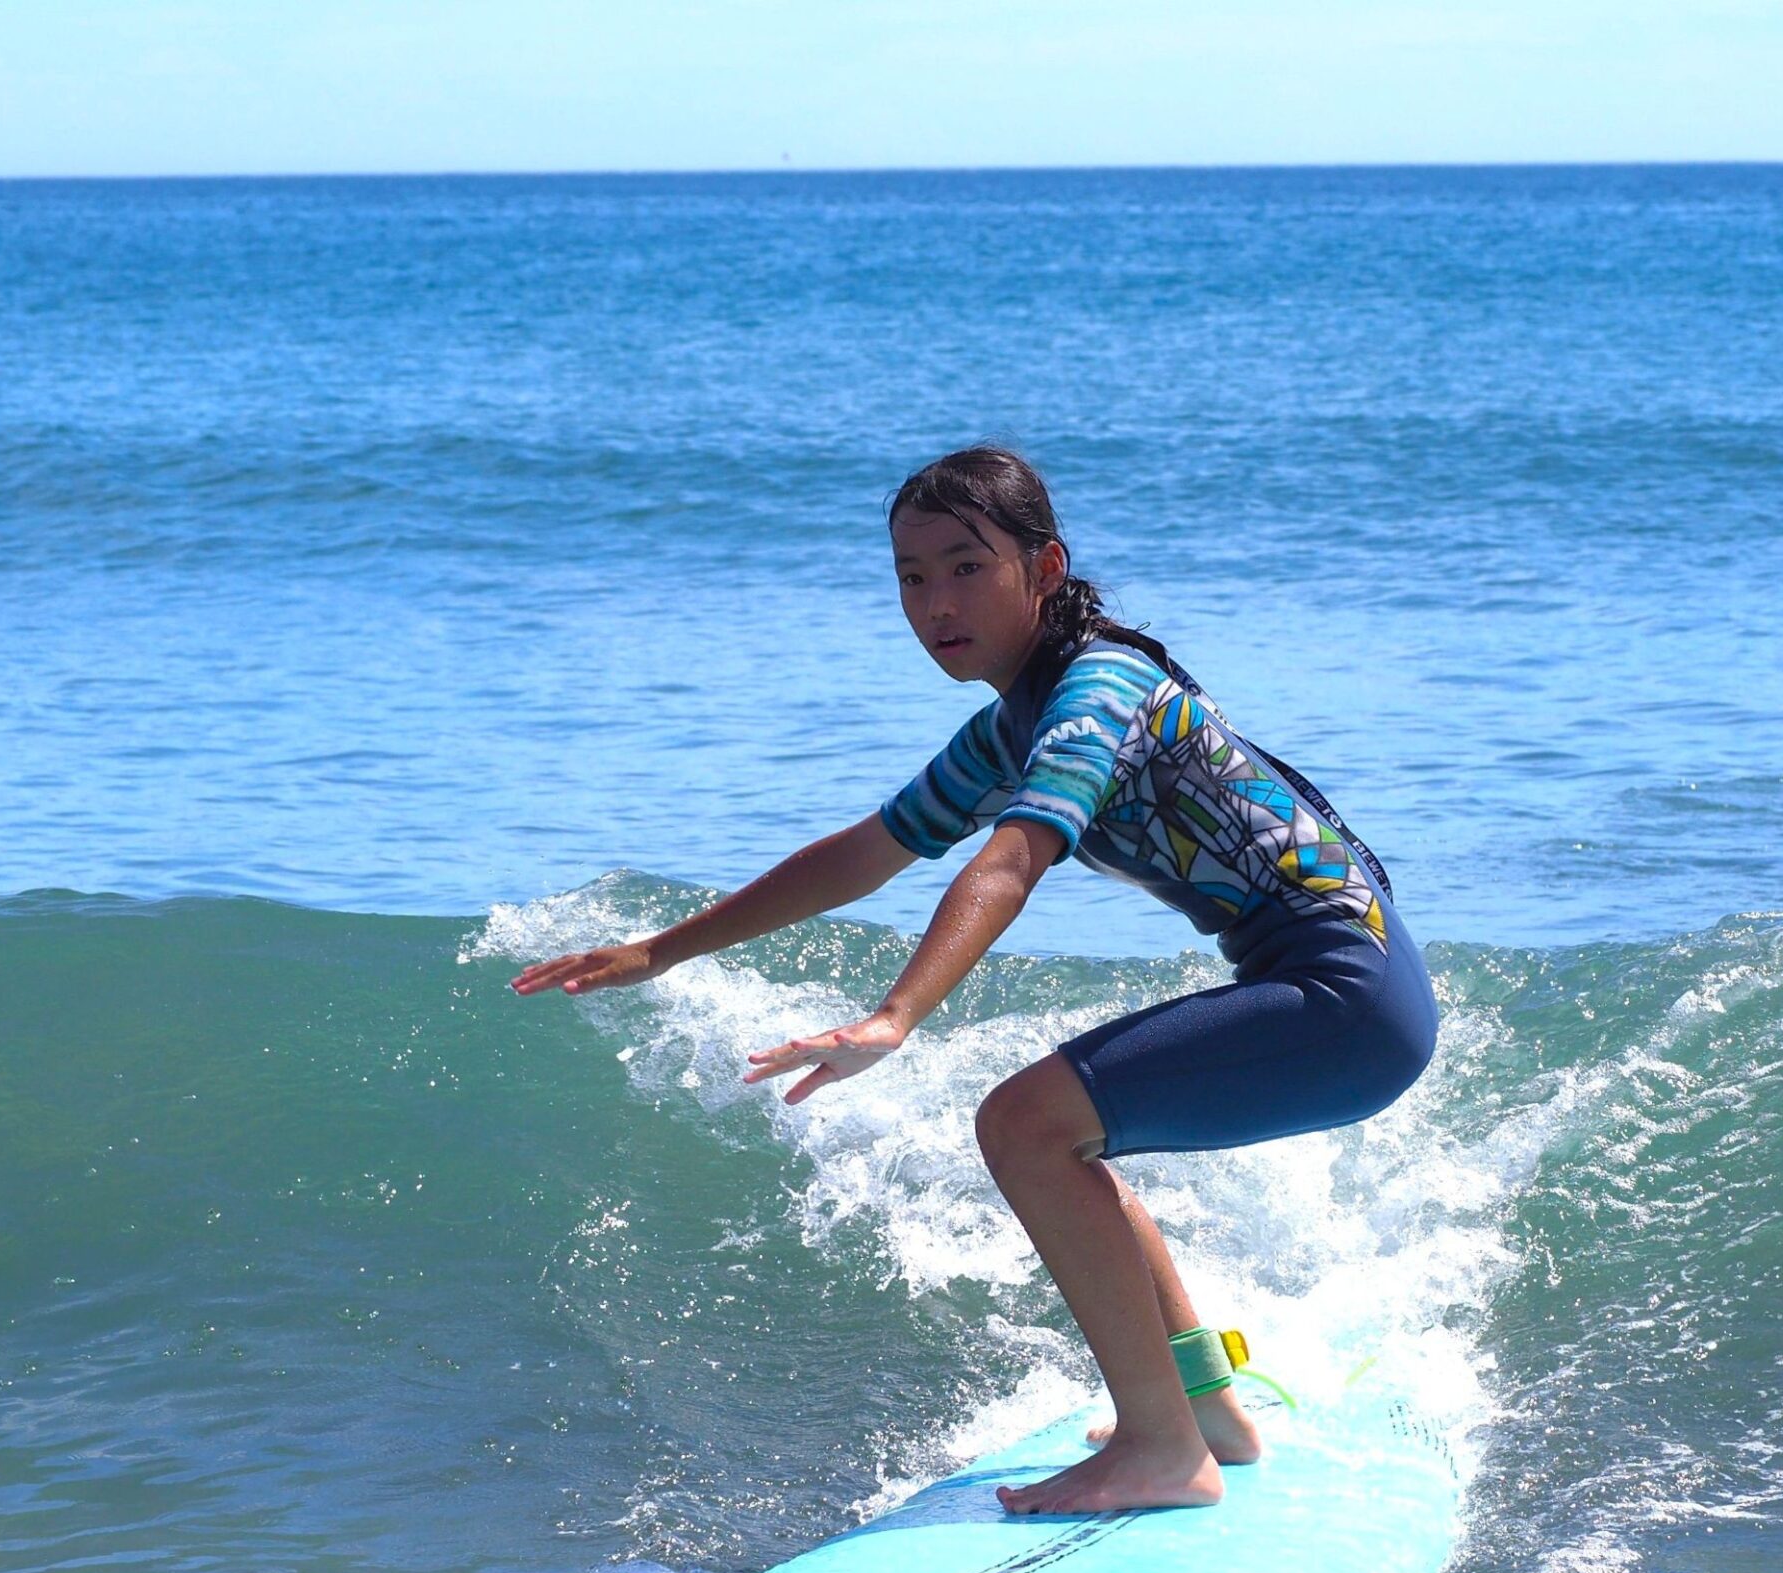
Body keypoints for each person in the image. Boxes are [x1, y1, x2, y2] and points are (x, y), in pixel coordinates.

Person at [511, 447, 1437, 1514]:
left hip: (1345, 993)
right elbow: (867, 850)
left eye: (965, 567)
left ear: (1044, 567)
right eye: (910, 576)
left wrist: (894, 1016)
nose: (934, 603)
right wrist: (662, 948)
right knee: (1067, 1135)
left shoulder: (1098, 692)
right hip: (1345, 984)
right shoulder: (1017, 721)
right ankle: (1203, 1406)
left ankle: (1159, 1452)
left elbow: (1014, 855)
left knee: (1026, 1125)